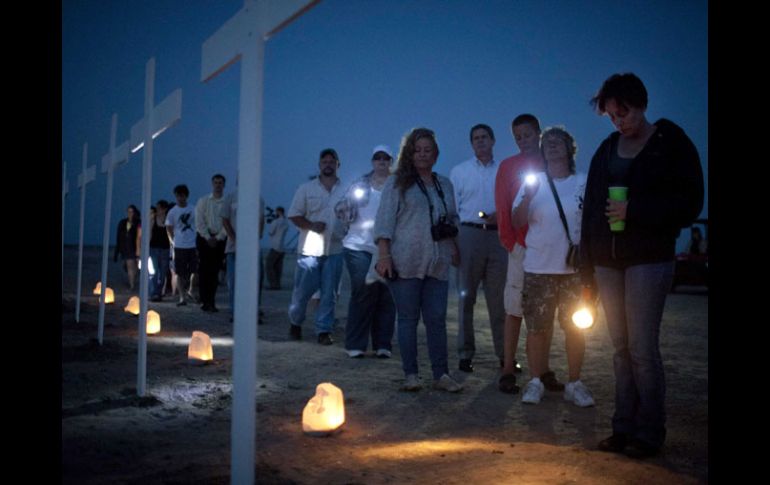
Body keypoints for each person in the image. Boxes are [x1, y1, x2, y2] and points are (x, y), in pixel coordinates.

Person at [582, 73, 704, 458]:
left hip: (649, 257)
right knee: (619, 347)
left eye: (624, 112)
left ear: (642, 103)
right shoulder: (607, 149)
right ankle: (623, 427)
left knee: (642, 348)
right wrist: (586, 267)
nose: (620, 121)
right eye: (612, 116)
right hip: (607, 260)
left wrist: (635, 210)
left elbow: (690, 203)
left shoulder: (669, 142)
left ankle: (650, 432)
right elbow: (590, 213)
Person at [374, 127, 462, 393]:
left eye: (428, 150)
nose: (423, 155)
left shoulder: (444, 183)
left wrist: (454, 246)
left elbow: (453, 218)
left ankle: (441, 374)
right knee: (408, 319)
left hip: (437, 261)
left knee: (436, 319)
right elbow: (384, 221)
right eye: (418, 150)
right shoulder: (397, 182)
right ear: (410, 153)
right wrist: (384, 255)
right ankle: (411, 374)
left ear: (436, 154)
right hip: (405, 260)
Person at [512, 126, 593, 408]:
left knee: (576, 328)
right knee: (537, 327)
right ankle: (536, 382)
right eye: (548, 143)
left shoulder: (584, 182)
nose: (553, 146)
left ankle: (575, 383)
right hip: (538, 266)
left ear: (571, 148)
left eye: (559, 142)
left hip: (574, 270)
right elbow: (517, 221)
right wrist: (527, 196)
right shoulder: (533, 183)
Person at [494, 114, 562, 394]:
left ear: (539, 133)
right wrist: (510, 242)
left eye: (528, 135)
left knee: (543, 312)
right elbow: (502, 206)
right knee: (514, 310)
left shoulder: (553, 163)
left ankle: (542, 368)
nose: (523, 140)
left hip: (549, 247)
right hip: (521, 247)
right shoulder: (509, 166)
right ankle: (508, 367)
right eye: (518, 136)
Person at [450, 124, 508, 375]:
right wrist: (453, 243)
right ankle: (465, 354)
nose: (481, 141)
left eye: (485, 137)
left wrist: (502, 216)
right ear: (471, 143)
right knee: (466, 298)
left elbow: (513, 202)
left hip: (498, 238)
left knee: (500, 302)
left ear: (493, 140)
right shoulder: (459, 172)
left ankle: (505, 356)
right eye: (476, 138)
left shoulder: (504, 171)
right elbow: (451, 210)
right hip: (469, 235)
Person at [334, 144, 396, 359]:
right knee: (363, 291)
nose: (381, 161)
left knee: (386, 294)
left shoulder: (397, 186)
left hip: (387, 248)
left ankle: (383, 344)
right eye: (377, 158)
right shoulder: (360, 184)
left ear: (391, 161)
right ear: (372, 161)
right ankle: (355, 344)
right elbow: (341, 209)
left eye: (385, 158)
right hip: (357, 246)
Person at [287, 148, 346, 345]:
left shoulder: (346, 190)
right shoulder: (306, 189)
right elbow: (294, 214)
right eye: (324, 161)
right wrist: (311, 225)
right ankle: (295, 323)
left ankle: (323, 330)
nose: (328, 164)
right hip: (310, 249)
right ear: (319, 165)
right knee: (302, 292)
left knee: (329, 294)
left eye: (332, 161)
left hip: (335, 249)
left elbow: (354, 217)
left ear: (338, 164)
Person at [221, 187, 266, 323]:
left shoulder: (257, 198)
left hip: (252, 247)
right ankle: (235, 311)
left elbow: (261, 220)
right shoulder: (230, 197)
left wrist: (255, 238)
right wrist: (235, 239)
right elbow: (225, 219)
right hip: (233, 247)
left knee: (255, 280)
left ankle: (254, 311)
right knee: (233, 281)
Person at [195, 174, 228, 312]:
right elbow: (199, 221)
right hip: (204, 239)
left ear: (224, 185)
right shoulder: (203, 201)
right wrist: (208, 237)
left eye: (220, 183)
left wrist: (219, 237)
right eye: (216, 182)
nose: (218, 185)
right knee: (204, 272)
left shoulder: (227, 202)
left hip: (220, 240)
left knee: (214, 272)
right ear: (212, 184)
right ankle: (205, 301)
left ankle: (211, 301)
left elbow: (228, 222)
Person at [165, 185, 198, 307]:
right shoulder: (173, 211)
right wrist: (172, 240)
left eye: (182, 195)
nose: (180, 198)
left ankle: (191, 290)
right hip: (179, 245)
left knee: (194, 270)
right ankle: (182, 297)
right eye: (178, 195)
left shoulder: (193, 209)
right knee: (179, 272)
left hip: (192, 244)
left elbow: (198, 223)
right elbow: (168, 226)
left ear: (186, 196)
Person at [147, 200, 171, 301]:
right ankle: (153, 293)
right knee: (154, 272)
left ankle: (159, 292)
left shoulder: (168, 219)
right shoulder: (153, 218)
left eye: (159, 208)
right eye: (157, 208)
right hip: (154, 248)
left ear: (164, 209)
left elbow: (171, 234)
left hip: (165, 249)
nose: (157, 210)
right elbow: (149, 233)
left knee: (163, 272)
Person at [113, 204, 141, 291]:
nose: (130, 213)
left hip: (135, 247)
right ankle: (132, 285)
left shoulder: (138, 223)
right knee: (129, 267)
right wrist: (116, 252)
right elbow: (118, 236)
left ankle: (133, 282)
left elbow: (140, 236)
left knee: (135, 268)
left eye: (131, 211)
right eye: (128, 211)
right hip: (126, 248)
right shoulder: (122, 223)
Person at [265, 206, 289, 289]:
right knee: (278, 267)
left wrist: (272, 222)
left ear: (278, 212)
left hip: (275, 246)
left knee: (269, 266)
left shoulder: (276, 222)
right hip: (282, 247)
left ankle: (273, 284)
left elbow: (270, 232)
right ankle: (277, 284)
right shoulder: (286, 222)